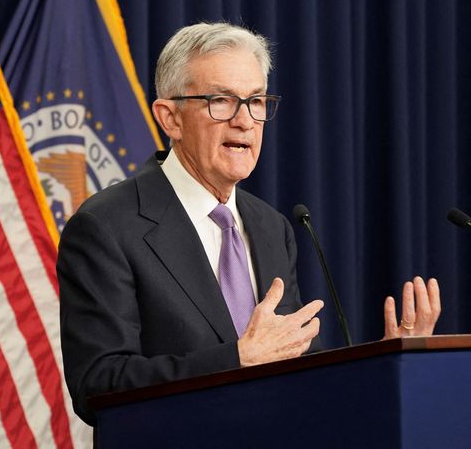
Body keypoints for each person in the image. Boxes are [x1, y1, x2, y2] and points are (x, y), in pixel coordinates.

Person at [56, 22, 441, 425]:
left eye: (256, 101)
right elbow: (98, 385)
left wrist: (388, 365)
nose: (245, 121)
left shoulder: (271, 227)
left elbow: (302, 376)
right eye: (221, 100)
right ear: (170, 118)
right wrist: (238, 359)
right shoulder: (107, 226)